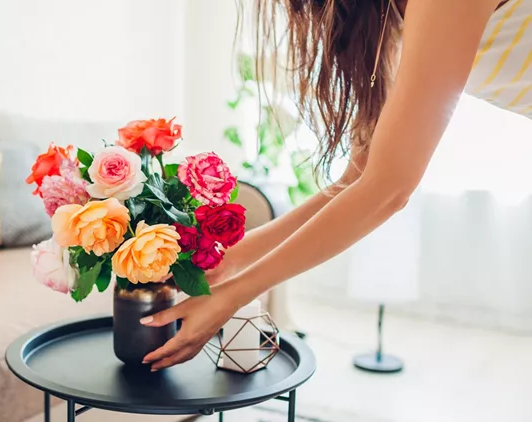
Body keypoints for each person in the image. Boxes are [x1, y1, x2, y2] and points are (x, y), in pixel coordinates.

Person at [142, 0, 530, 371]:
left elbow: (389, 189)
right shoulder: (386, 14)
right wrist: (232, 261)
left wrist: (233, 295)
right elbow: (356, 180)